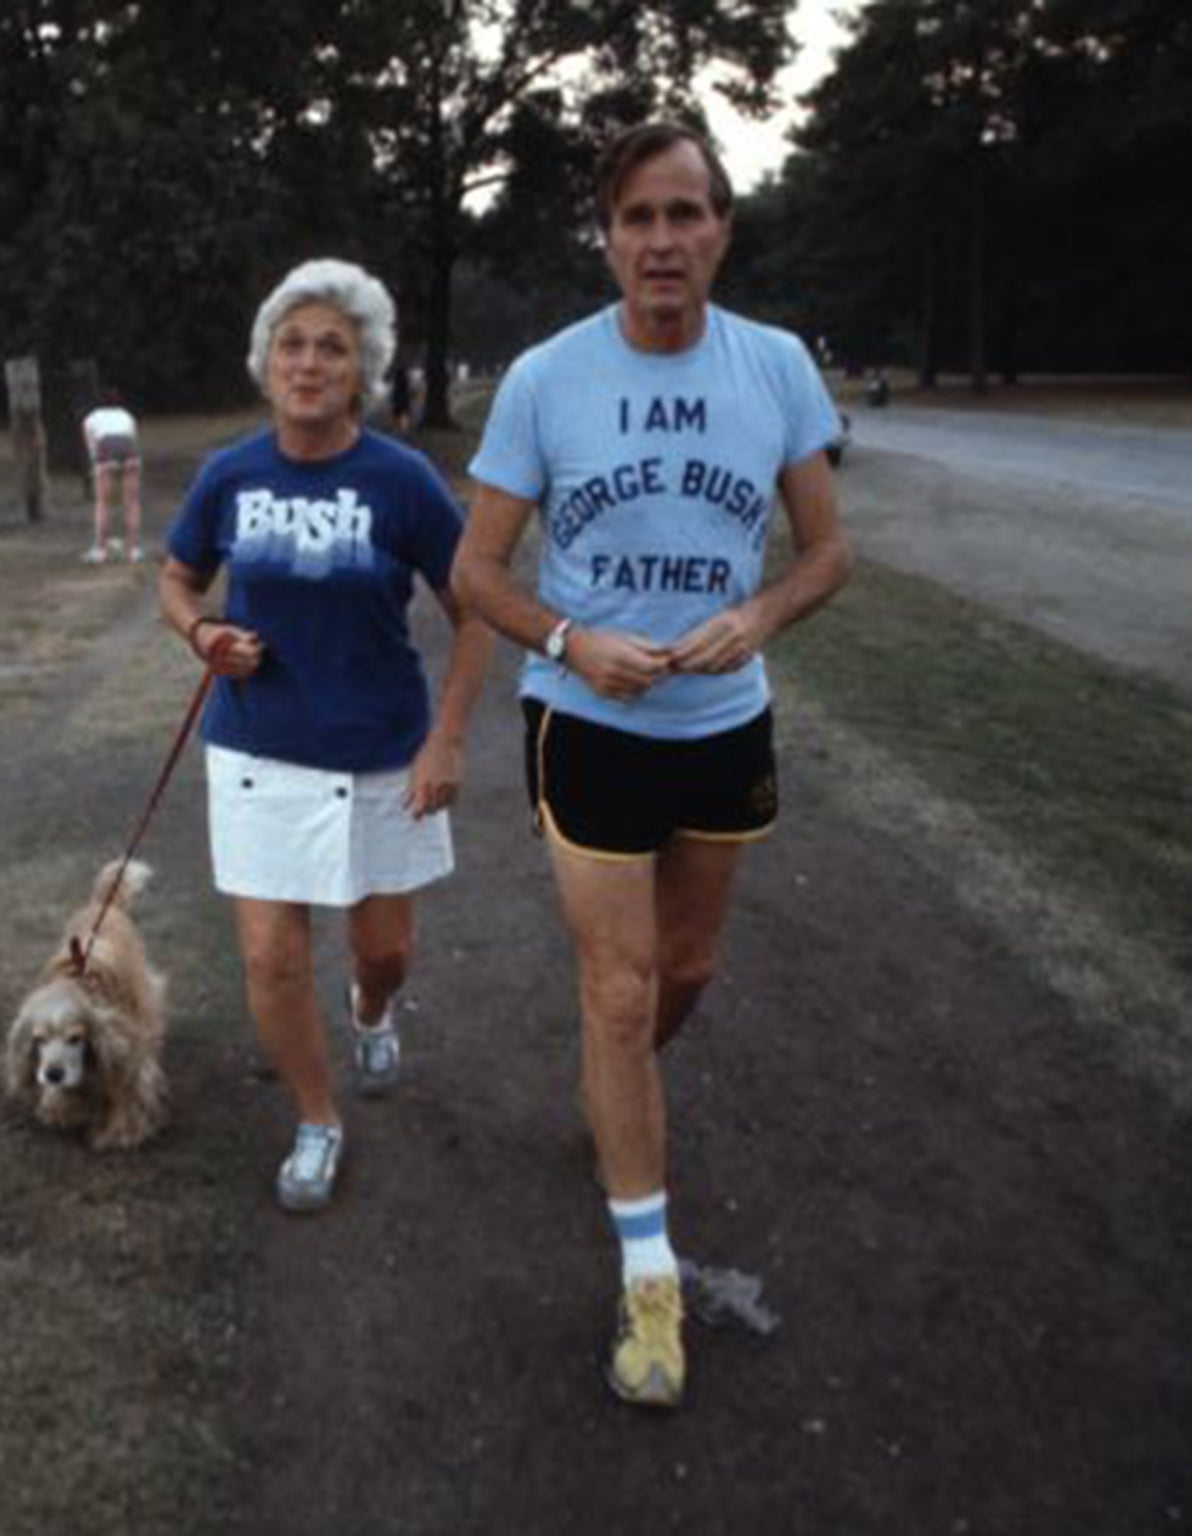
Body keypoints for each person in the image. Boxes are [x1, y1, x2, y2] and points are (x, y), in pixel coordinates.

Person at [452, 123, 853, 1408]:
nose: (661, 240)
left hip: (721, 722)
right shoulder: (544, 377)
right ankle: (646, 1272)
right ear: (609, 237)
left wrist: (760, 616)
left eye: (685, 214)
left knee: (684, 972)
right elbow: (473, 573)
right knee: (617, 991)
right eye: (637, 217)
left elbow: (825, 554)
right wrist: (572, 636)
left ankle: (615, 1095)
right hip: (586, 721)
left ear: (721, 230)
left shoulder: (777, 367)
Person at [158, 258, 493, 1214]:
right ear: (267, 362)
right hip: (257, 750)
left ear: (363, 371)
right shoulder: (229, 473)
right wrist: (202, 633)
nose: (308, 363)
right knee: (270, 957)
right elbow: (175, 580)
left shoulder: (403, 480)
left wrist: (449, 740)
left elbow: (474, 610)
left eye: (332, 348)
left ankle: (373, 1008)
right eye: (291, 345)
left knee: (382, 951)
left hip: (385, 751)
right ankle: (317, 1119)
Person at [80, 389, 145, 563]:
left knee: (102, 502)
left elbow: (92, 446)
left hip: (106, 446)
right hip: (128, 448)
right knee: (132, 502)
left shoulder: (91, 418)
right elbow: (133, 439)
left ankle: (100, 550)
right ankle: (133, 550)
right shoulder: (127, 416)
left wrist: (97, 466)